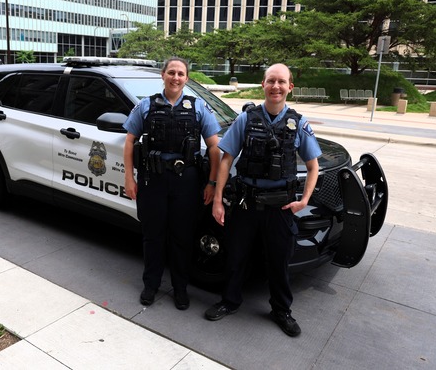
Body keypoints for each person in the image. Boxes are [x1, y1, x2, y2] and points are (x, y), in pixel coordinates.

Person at [204, 63, 321, 337]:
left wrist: (304, 200)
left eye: (281, 81)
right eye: (271, 81)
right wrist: (218, 200)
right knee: (236, 257)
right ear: (263, 84)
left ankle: (281, 310)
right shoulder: (246, 119)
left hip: (280, 208)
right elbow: (226, 159)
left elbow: (313, 166)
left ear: (289, 87)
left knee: (279, 262)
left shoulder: (298, 123)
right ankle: (229, 301)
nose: (276, 86)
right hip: (246, 204)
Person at [123, 57, 221, 310]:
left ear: (186, 78)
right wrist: (128, 178)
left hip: (186, 181)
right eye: (171, 73)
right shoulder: (145, 106)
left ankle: (180, 288)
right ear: (163, 74)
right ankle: (151, 285)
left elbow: (213, 147)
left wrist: (211, 182)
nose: (176, 78)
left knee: (182, 238)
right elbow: (129, 141)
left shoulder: (199, 108)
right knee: (152, 236)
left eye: (181, 74)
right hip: (152, 179)